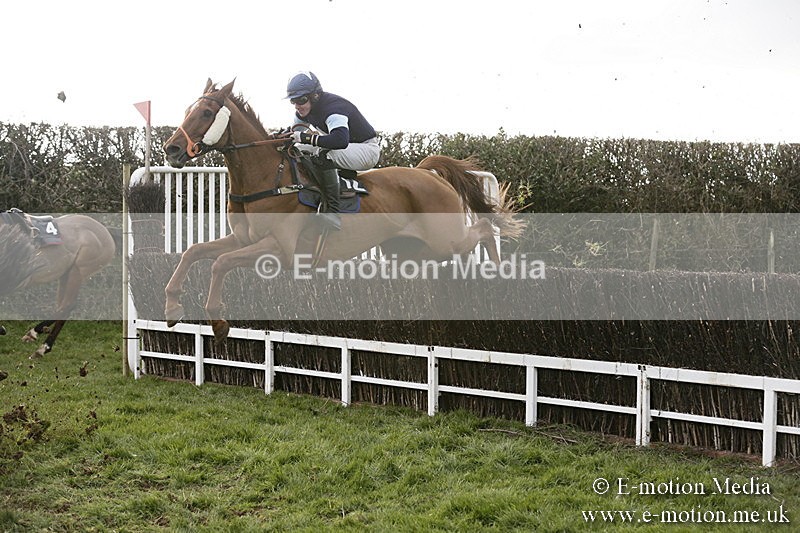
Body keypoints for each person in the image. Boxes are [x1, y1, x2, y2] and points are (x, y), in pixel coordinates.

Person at [284, 71, 380, 230]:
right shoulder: (305, 111)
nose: (297, 105)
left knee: (323, 153)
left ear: (315, 96)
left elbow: (340, 140)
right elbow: (293, 133)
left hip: (367, 150)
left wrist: (306, 138)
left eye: (301, 100)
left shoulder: (333, 108)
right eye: (293, 101)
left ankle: (333, 212)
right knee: (298, 148)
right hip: (347, 148)